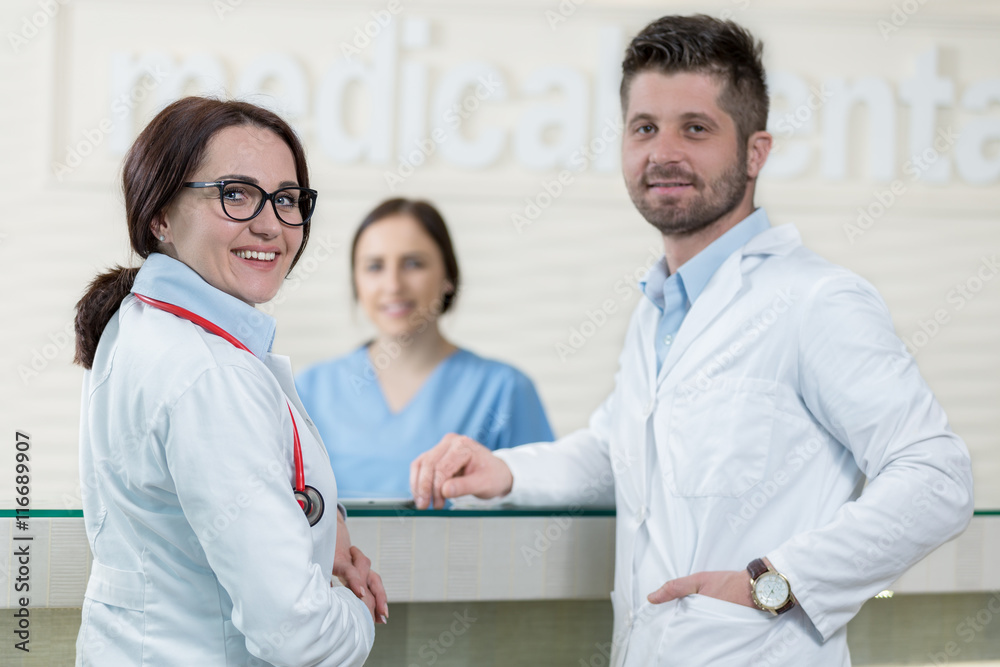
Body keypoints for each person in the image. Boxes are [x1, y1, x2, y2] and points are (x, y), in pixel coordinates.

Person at [411, 15, 974, 667]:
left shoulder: (817, 301)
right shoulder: (657, 309)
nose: (663, 152)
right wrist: (508, 469)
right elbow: (622, 451)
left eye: (695, 128)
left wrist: (779, 580)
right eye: (644, 127)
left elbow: (936, 475)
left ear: (755, 151)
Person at [73, 97, 387, 667]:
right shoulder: (209, 372)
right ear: (159, 215)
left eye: (286, 200)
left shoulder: (137, 324)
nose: (269, 224)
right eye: (235, 194)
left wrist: (322, 529)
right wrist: (356, 609)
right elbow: (298, 635)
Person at [296, 198, 554, 498]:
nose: (393, 285)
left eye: (413, 264)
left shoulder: (505, 390)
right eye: (374, 266)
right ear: (357, 281)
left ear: (448, 277)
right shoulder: (309, 391)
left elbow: (538, 509)